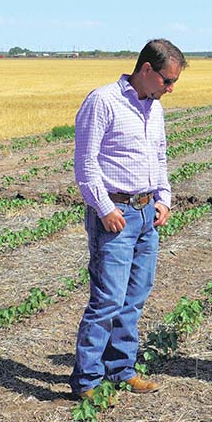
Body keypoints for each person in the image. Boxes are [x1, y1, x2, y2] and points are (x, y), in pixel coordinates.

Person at [69, 39, 187, 400]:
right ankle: (87, 379)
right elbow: (86, 163)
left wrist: (163, 199)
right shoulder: (103, 101)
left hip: (146, 213)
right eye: (167, 81)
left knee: (134, 298)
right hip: (115, 214)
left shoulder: (155, 109)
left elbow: (160, 158)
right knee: (107, 299)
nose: (169, 90)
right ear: (147, 70)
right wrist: (105, 209)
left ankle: (121, 369)